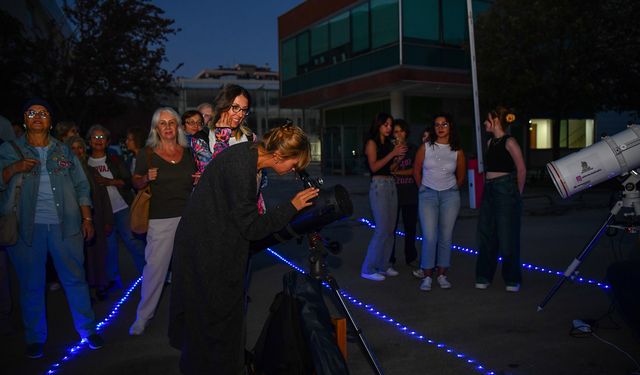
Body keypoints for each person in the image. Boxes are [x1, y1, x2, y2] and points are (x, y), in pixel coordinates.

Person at [168, 123, 318, 375]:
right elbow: (251, 228)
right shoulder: (241, 167)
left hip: (211, 243)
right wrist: (291, 207)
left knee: (215, 319)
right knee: (215, 320)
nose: (294, 171)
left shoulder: (248, 155)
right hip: (207, 250)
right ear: (279, 155)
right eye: (294, 164)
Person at [0, 99, 103, 358]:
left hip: (66, 226)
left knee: (75, 279)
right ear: (24, 120)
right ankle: (35, 338)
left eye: (43, 113)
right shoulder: (10, 149)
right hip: (27, 229)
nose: (37, 116)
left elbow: (82, 186)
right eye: (31, 112)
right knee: (31, 285)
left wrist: (87, 219)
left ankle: (88, 330)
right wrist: (14, 168)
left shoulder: (64, 150)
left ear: (50, 121)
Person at [129, 107, 197, 335]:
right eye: (162, 123)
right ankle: (143, 317)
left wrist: (198, 179)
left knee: (190, 270)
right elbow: (136, 182)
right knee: (155, 271)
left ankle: (191, 314)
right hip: (160, 220)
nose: (167, 127)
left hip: (189, 218)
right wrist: (146, 177)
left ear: (177, 126)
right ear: (156, 128)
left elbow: (197, 179)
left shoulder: (188, 153)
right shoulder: (147, 154)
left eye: (171, 122)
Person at [87, 125, 146, 288]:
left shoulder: (114, 159)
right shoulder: (85, 162)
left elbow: (128, 182)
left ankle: (149, 273)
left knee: (133, 242)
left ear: (107, 142)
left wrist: (109, 182)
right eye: (94, 137)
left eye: (102, 138)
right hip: (101, 213)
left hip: (122, 208)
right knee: (109, 247)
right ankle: (112, 280)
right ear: (89, 141)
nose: (98, 141)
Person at [412, 113, 466, 291]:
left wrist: (452, 189)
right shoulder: (426, 147)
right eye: (437, 125)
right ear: (433, 127)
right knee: (429, 236)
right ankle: (427, 276)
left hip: (450, 196)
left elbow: (461, 175)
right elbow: (416, 170)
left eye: (444, 124)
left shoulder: (457, 150)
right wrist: (423, 188)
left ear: (450, 126)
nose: (440, 127)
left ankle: (442, 274)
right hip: (428, 195)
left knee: (445, 236)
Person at [475, 106, 526, 292]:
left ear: (496, 120)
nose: (484, 123)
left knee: (507, 236)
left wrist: (517, 194)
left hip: (505, 189)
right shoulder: (490, 143)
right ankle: (483, 275)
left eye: (487, 120)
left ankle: (512, 278)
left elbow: (521, 169)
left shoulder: (509, 141)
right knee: (486, 233)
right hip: (489, 189)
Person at [360, 113, 407, 281]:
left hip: (390, 184)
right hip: (378, 186)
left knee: (390, 229)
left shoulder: (388, 144)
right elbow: (374, 167)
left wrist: (398, 158)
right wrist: (392, 153)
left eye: (390, 125)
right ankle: (368, 268)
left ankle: (384, 265)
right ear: (378, 125)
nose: (389, 128)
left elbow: (390, 168)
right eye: (385, 125)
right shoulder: (372, 143)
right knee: (381, 229)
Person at [66, 135, 113, 300]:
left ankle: (100, 286)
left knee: (98, 255)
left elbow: (103, 196)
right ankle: (84, 292)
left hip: (96, 218)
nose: (77, 151)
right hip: (75, 221)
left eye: (80, 147)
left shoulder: (91, 169)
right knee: (81, 258)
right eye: (73, 148)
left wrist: (107, 220)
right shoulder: (65, 172)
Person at [389, 119, 418, 266]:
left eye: (401, 131)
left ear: (406, 133)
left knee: (410, 228)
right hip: (394, 194)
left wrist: (397, 172)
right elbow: (388, 170)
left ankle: (411, 257)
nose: (398, 134)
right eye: (395, 131)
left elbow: (414, 171)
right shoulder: (390, 150)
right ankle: (390, 258)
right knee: (390, 228)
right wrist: (398, 157)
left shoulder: (413, 149)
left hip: (411, 194)